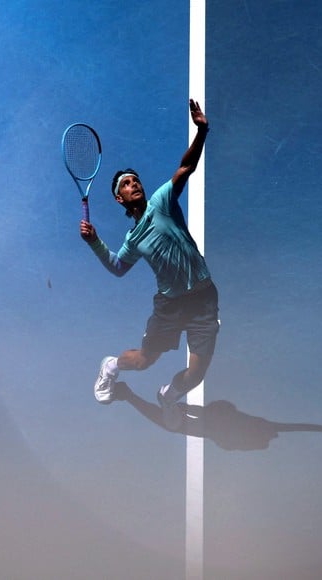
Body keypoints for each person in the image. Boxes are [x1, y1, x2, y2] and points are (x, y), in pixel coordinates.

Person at [80, 99, 218, 430]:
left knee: (198, 372)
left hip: (203, 297)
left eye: (135, 180)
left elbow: (185, 169)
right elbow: (117, 266)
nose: (134, 184)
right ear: (120, 199)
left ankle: (168, 395)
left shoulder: (162, 202)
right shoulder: (133, 240)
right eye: (126, 184)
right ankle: (111, 366)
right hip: (170, 305)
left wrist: (201, 131)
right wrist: (95, 242)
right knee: (143, 361)